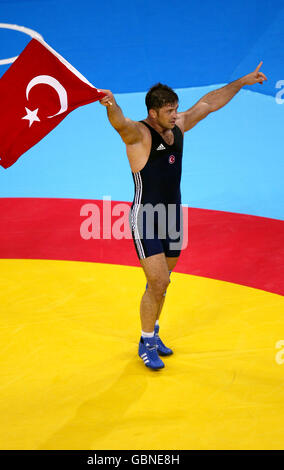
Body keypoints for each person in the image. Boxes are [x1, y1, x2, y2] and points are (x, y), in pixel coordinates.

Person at [99, 62, 267, 370]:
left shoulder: (178, 126)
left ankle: (153, 332)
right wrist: (112, 105)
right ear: (153, 113)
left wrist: (242, 80)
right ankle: (146, 341)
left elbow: (209, 103)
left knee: (164, 283)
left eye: (176, 109)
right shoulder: (138, 134)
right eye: (169, 111)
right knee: (158, 280)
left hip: (173, 217)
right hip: (146, 217)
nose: (176, 115)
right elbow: (119, 123)